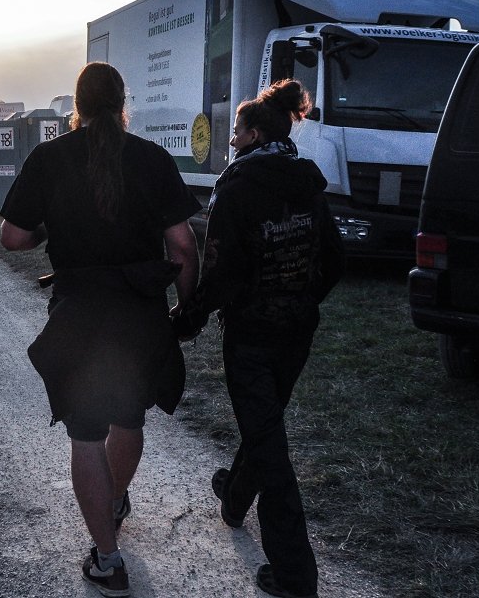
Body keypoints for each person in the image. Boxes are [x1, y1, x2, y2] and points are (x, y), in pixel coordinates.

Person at [0, 62, 200, 597]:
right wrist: (186, 312)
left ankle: (107, 559)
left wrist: (50, 227)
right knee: (129, 417)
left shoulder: (49, 158)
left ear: (78, 107)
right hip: (140, 310)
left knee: (86, 433)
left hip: (81, 311)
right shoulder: (153, 158)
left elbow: (12, 239)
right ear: (122, 103)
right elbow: (183, 247)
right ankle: (113, 502)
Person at [177, 79, 344, 598]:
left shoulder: (237, 188)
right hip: (297, 330)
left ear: (251, 135)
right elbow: (335, 259)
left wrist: (190, 316)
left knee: (270, 444)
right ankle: (233, 496)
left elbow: (222, 269)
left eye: (234, 132)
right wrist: (304, 298)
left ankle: (296, 576)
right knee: (264, 425)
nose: (229, 141)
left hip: (251, 333)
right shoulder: (307, 181)